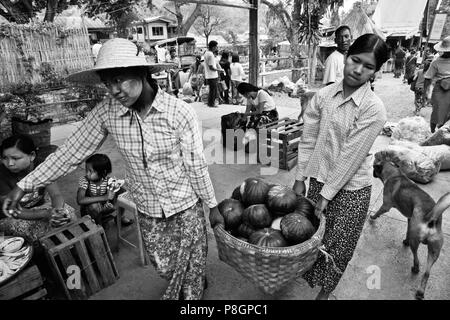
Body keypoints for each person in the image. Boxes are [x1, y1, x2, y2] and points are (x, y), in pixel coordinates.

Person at [2, 38, 220, 300]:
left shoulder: (179, 112)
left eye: (119, 79)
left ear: (141, 72)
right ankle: (186, 277)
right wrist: (25, 184)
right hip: (149, 207)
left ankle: (193, 287)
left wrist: (212, 205)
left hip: (185, 204)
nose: (114, 90)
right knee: (164, 265)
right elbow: (71, 151)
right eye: (108, 83)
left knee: (192, 272)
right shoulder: (107, 112)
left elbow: (196, 164)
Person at [292, 33, 389, 300]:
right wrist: (301, 176)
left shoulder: (373, 108)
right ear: (346, 57)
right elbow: (308, 139)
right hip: (319, 181)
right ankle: (309, 277)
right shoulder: (323, 96)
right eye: (355, 60)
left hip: (352, 191)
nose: (358, 70)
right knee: (313, 239)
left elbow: (350, 157)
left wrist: (325, 196)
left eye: (368, 67)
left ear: (375, 71)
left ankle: (325, 294)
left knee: (338, 248)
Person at [0, 134, 75, 243]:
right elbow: (12, 211)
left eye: (15, 158)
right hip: (11, 216)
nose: (10, 163)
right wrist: (46, 214)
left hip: (40, 207)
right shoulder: (1, 175)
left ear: (32, 156)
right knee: (39, 233)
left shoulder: (42, 166)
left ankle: (70, 251)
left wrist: (57, 212)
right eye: (4, 158)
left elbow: (56, 195)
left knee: (69, 215)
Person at [77, 153, 133, 227]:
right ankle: (98, 226)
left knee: (122, 193)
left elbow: (114, 193)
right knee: (94, 206)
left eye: (91, 171)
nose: (87, 173)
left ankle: (119, 217)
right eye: (86, 170)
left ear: (103, 172)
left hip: (105, 207)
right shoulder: (85, 181)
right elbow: (80, 200)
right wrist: (104, 198)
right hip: (90, 211)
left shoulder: (107, 180)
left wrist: (112, 206)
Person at [424, 35, 450, 133]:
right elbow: (427, 78)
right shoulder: (436, 62)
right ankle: (432, 131)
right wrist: (425, 93)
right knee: (437, 111)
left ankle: (443, 131)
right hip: (440, 89)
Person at [204, 40, 224, 108]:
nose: (217, 48)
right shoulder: (210, 54)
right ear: (213, 47)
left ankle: (210, 103)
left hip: (209, 75)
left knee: (212, 90)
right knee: (213, 90)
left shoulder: (206, 53)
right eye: (216, 47)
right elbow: (211, 67)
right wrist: (219, 70)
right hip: (212, 75)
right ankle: (211, 103)